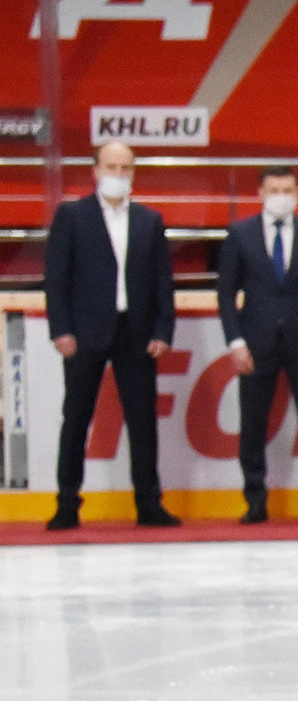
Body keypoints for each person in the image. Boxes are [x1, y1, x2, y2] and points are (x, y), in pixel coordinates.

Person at [41, 142, 179, 530]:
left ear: (133, 172)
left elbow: (162, 281)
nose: (118, 174)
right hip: (85, 332)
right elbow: (56, 278)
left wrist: (162, 330)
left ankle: (148, 503)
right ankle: (67, 503)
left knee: (143, 420)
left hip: (136, 332)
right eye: (111, 166)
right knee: (76, 418)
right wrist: (61, 329)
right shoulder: (71, 215)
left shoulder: (149, 220)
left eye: (125, 167)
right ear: (95, 170)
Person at [216, 166, 298, 524]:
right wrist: (236, 341)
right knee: (252, 426)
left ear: (297, 193)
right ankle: (255, 501)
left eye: (287, 190)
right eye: (274, 190)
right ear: (260, 193)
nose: (281, 196)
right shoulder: (240, 234)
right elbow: (226, 294)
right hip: (255, 344)